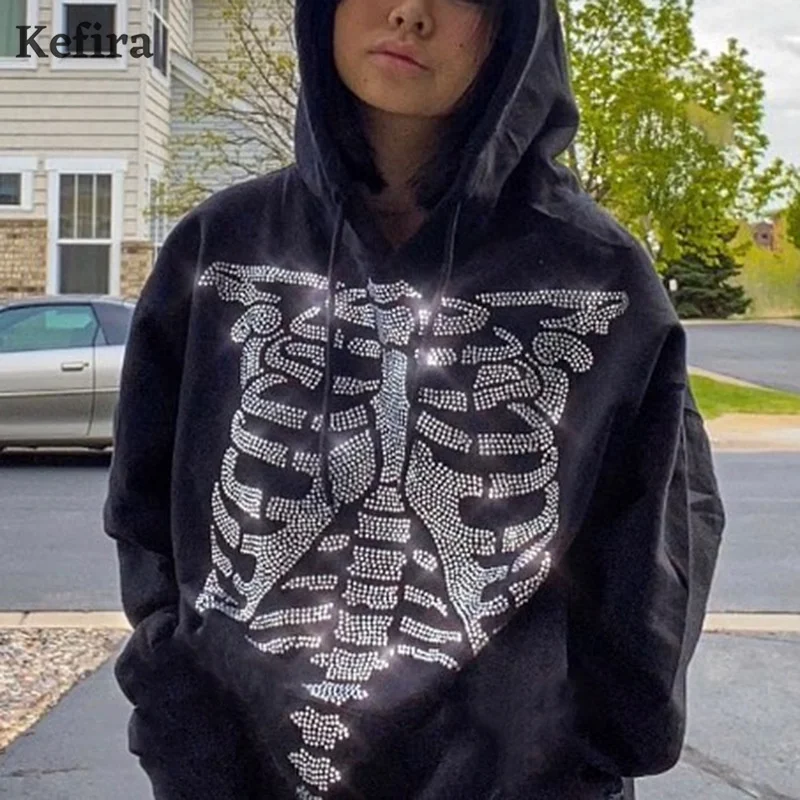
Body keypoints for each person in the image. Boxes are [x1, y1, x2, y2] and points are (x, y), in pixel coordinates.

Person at [104, 0, 726, 798]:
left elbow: (656, 546)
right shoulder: (219, 249)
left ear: (514, 25)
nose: (409, 12)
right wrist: (179, 720)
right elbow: (146, 511)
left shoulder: (599, 275)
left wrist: (589, 752)